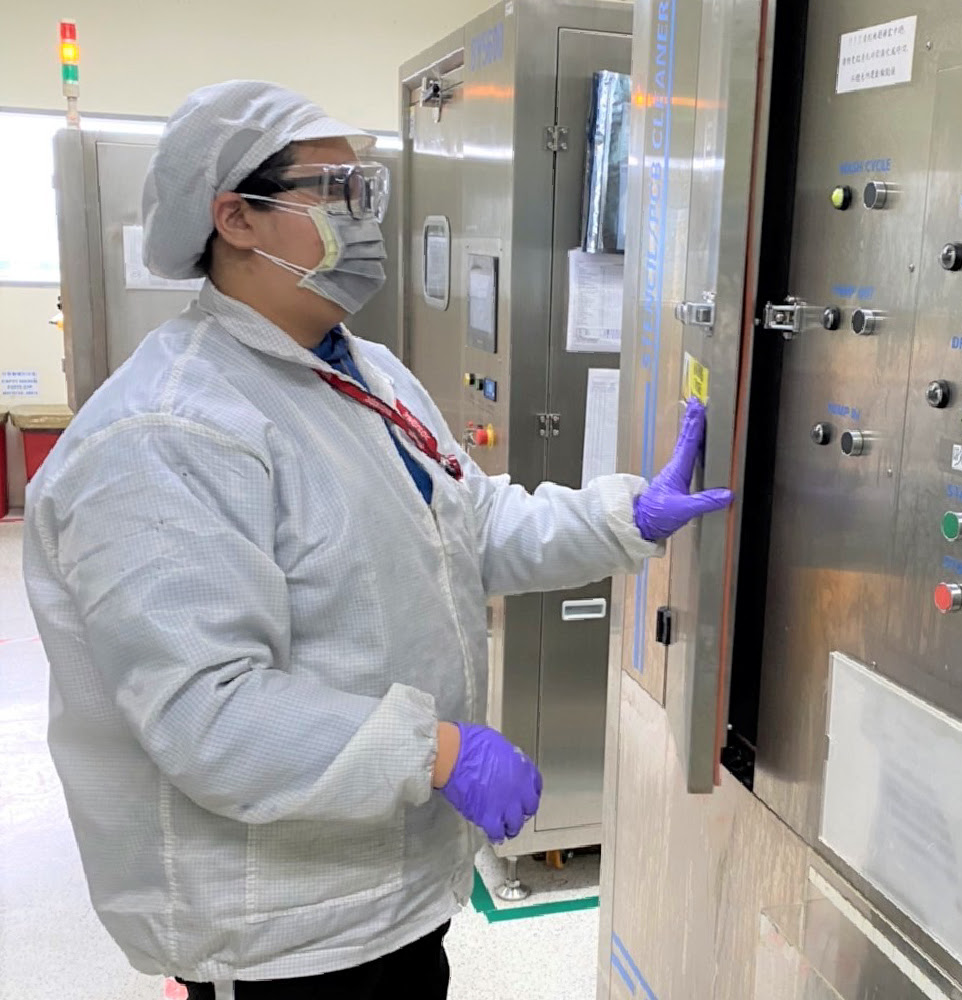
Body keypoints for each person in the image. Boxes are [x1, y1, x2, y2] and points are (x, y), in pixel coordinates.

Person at [22, 80, 734, 999]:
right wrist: (436, 753)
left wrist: (621, 516)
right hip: (280, 931)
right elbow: (209, 714)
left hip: (384, 894)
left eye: (371, 191)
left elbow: (467, 525)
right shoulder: (169, 431)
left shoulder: (363, 372)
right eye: (337, 194)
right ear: (235, 218)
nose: (368, 220)